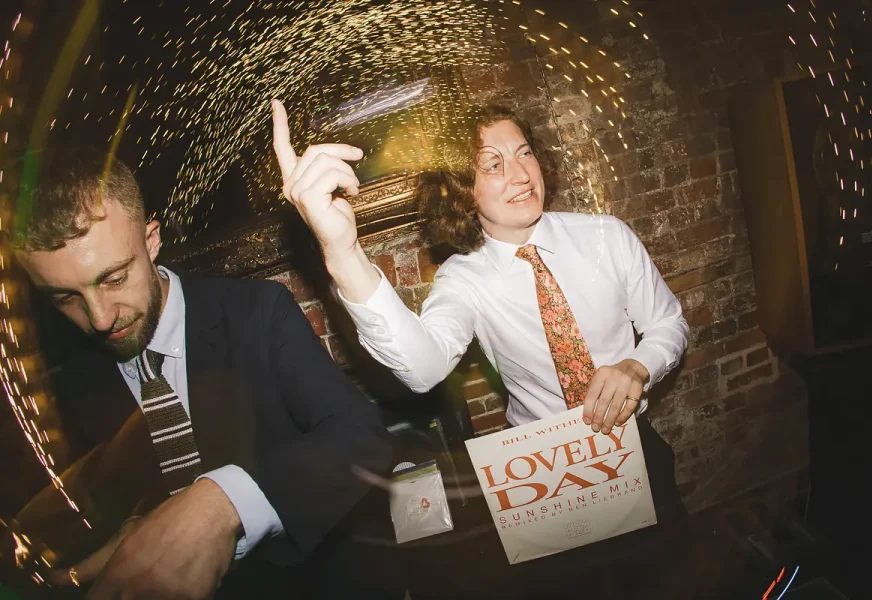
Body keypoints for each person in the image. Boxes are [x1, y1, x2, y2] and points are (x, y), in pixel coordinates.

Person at [271, 100, 692, 598]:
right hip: (542, 476)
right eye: (493, 164)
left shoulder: (607, 237)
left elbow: (669, 322)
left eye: (524, 153)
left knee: (669, 582)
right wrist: (343, 252)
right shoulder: (463, 278)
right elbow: (423, 369)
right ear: (462, 192)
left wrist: (638, 365)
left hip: (632, 449)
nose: (520, 174)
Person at [9, 146, 393, 599]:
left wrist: (225, 503)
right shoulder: (64, 389)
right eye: (65, 298)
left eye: (114, 278)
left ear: (151, 241)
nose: (100, 318)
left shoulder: (255, 312)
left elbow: (361, 437)